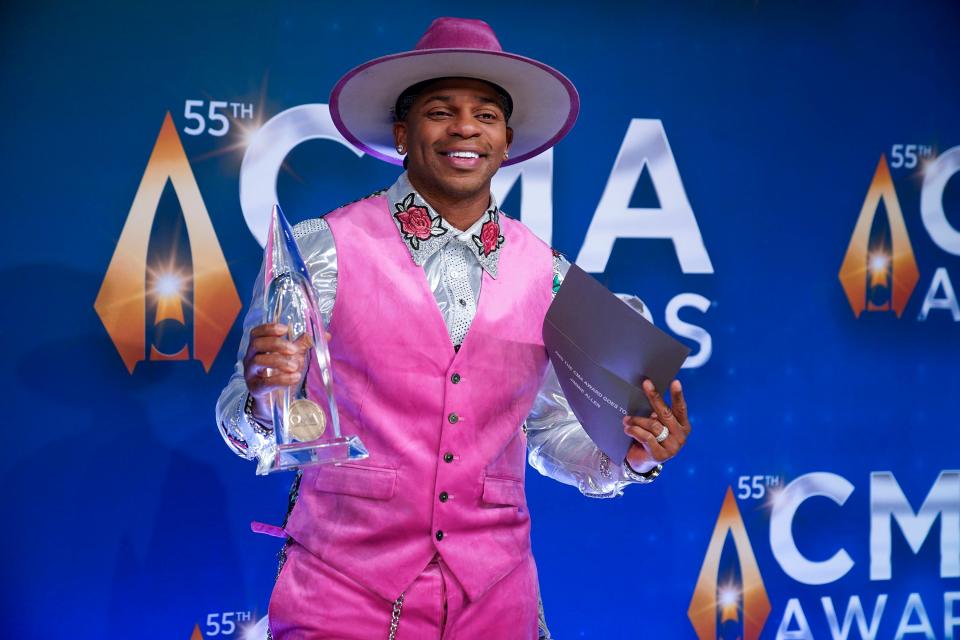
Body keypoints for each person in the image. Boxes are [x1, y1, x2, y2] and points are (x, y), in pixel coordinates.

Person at [216, 16, 692, 639]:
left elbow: (548, 431)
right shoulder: (322, 251)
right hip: (341, 593)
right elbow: (246, 421)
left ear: (507, 141)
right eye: (442, 110)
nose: (465, 127)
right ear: (402, 134)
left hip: (496, 600)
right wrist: (261, 398)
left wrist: (628, 453)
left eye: (486, 115)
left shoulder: (551, 278)